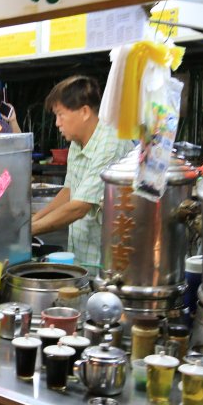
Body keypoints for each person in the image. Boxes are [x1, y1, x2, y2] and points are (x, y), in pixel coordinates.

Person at [32, 75, 131, 272]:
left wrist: (29, 231)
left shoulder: (110, 145)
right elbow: (70, 190)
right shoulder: (77, 142)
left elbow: (79, 207)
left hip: (108, 261)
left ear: (84, 112)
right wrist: (35, 219)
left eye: (61, 115)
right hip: (82, 255)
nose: (57, 123)